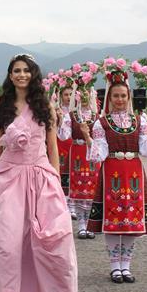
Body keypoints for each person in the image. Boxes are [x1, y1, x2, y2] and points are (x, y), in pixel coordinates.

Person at [0, 54, 78, 292]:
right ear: (10, 76)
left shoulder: (45, 107)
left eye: (26, 70)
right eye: (16, 70)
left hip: (41, 178)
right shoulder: (2, 109)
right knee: (8, 242)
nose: (21, 75)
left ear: (33, 74)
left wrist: (56, 179)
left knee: (46, 243)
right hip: (9, 179)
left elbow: (52, 147)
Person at [83, 68, 147, 284]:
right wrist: (88, 138)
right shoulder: (101, 123)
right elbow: (99, 154)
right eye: (115, 96)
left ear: (128, 97)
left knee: (131, 221)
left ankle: (126, 266)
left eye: (123, 95)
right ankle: (114, 267)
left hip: (134, 173)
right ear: (109, 98)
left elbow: (146, 150)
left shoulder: (139, 120)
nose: (119, 99)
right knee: (113, 220)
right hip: (112, 172)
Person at [57, 82, 101, 239]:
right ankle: (82, 225)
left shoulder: (97, 117)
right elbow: (63, 136)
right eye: (81, 95)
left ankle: (90, 224)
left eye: (86, 95)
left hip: (92, 154)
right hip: (76, 153)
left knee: (92, 191)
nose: (84, 98)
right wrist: (61, 121)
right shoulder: (72, 115)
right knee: (79, 191)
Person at [55, 85, 74, 217]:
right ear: (61, 96)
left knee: (73, 173)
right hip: (60, 143)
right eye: (66, 94)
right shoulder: (56, 110)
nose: (68, 97)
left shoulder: (78, 111)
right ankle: (59, 202)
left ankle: (72, 204)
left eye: (70, 94)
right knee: (61, 172)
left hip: (73, 144)